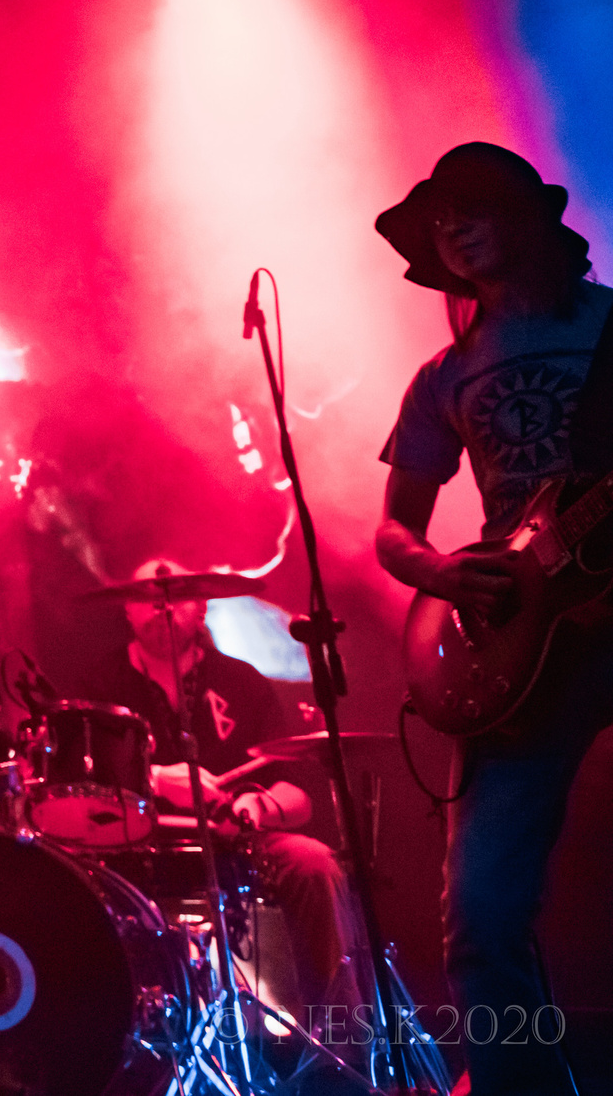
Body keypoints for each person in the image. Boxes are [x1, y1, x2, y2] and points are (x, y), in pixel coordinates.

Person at [374, 142, 613, 1096]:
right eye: (437, 217)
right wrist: (445, 571)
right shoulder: (442, 376)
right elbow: (394, 530)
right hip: (521, 646)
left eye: (470, 206)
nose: (451, 225)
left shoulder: (607, 328)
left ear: (528, 220)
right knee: (479, 910)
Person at [89, 559, 365, 1038]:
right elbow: (77, 789)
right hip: (132, 850)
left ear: (203, 608)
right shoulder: (99, 684)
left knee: (315, 863)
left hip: (235, 845)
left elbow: (296, 796)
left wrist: (258, 808)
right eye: (147, 599)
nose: (162, 608)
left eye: (177, 596)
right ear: (125, 612)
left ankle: (341, 1048)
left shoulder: (241, 680)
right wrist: (151, 779)